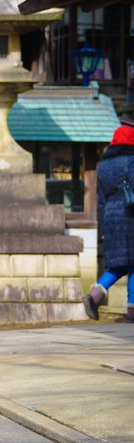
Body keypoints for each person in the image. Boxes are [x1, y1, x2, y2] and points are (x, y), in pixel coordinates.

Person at [83, 122, 134, 323]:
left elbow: (101, 200)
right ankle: (129, 308)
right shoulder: (131, 160)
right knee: (132, 263)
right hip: (130, 214)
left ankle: (96, 294)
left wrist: (104, 227)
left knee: (123, 262)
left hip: (111, 216)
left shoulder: (102, 166)